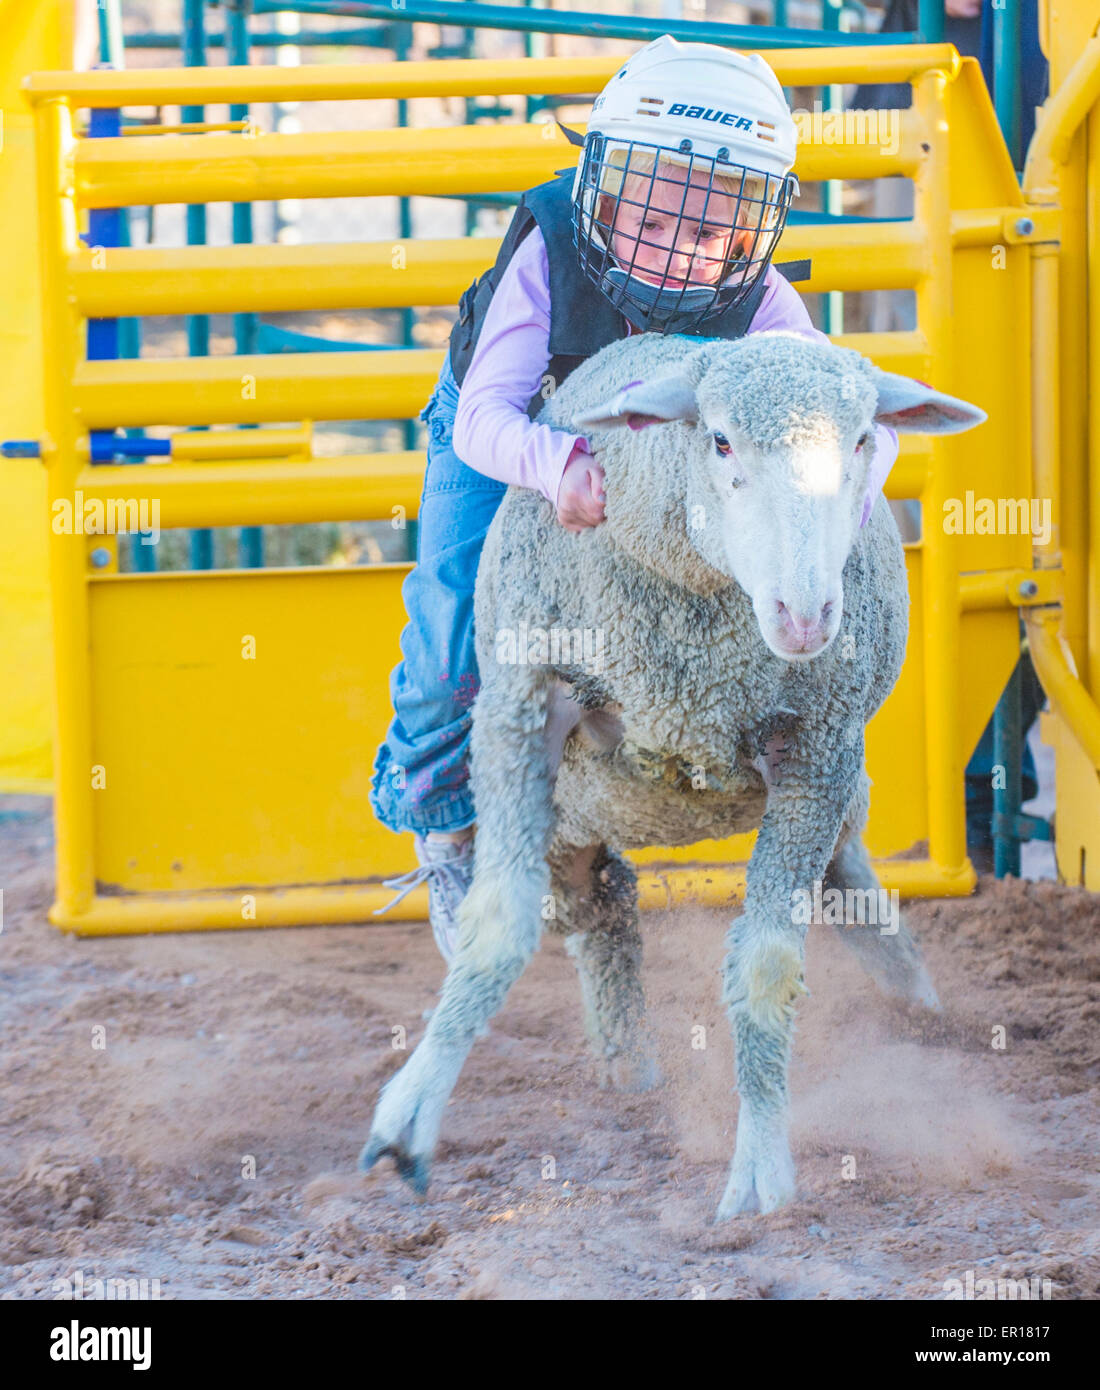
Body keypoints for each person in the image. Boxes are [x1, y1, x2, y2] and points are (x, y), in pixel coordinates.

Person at [370, 35, 901, 959]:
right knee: (455, 616)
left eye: (704, 237)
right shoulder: (550, 256)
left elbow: (856, 417)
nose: (673, 255)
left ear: (749, 234)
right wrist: (557, 462)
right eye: (650, 223)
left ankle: (794, 794)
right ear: (604, 196)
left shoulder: (765, 300)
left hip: (646, 469)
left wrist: (840, 504)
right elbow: (484, 418)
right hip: (517, 425)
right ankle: (447, 824)